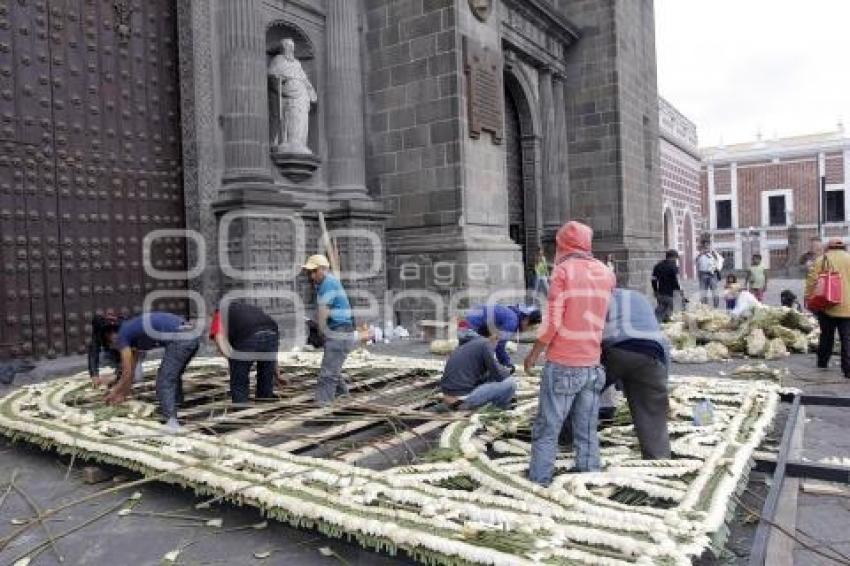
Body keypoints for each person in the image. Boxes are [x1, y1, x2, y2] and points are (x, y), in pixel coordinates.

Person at [524, 221, 615, 485]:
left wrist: (533, 355)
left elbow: (552, 323)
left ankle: (540, 479)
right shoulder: (606, 273)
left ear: (563, 245)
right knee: (586, 427)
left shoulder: (562, 272)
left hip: (564, 363)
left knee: (548, 427)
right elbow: (605, 316)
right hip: (592, 365)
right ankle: (588, 475)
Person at [601, 289, 671, 459]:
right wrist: (662, 386)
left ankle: (568, 439)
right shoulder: (640, 298)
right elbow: (662, 342)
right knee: (652, 411)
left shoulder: (600, 297)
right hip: (653, 353)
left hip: (617, 349)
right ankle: (658, 459)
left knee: (581, 392)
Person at [103, 311, 200, 429]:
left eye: (111, 342)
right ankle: (177, 403)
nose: (115, 345)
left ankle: (171, 422)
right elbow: (131, 370)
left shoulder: (122, 335)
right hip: (192, 334)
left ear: (112, 334)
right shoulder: (132, 331)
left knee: (164, 380)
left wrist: (114, 392)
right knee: (173, 374)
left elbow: (126, 372)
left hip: (181, 339)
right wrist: (123, 393)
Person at [303, 254, 358, 404]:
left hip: (339, 332)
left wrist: (320, 332)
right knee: (334, 371)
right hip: (342, 331)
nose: (312, 276)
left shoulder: (327, 283)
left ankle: (323, 411)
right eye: (309, 273)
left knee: (327, 375)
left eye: (314, 271)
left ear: (323, 269)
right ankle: (346, 403)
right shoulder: (329, 283)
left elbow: (323, 311)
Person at [210, 301, 281, 403]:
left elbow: (219, 338)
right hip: (272, 332)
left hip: (249, 335)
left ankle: (241, 405)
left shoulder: (220, 312)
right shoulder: (249, 309)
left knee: (239, 378)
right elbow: (271, 354)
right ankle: (265, 399)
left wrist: (232, 360)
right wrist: (276, 372)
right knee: (266, 372)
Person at [805, 238, 850, 378]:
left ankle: (823, 362)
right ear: (843, 247)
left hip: (826, 305)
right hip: (847, 306)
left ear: (828, 247)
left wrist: (807, 297)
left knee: (826, 336)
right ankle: (847, 369)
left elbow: (812, 280)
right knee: (846, 339)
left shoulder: (821, 260)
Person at [440, 334, 516, 410]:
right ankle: (500, 407)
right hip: (462, 399)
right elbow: (499, 373)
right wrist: (508, 370)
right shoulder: (486, 344)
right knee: (510, 383)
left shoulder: (468, 344)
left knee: (489, 378)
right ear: (494, 337)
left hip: (448, 394)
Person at [459, 304, 542, 371]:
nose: (527, 330)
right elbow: (500, 346)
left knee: (469, 358)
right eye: (530, 327)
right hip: (469, 328)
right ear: (526, 319)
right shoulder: (512, 321)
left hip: (466, 325)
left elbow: (492, 338)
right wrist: (507, 364)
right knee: (476, 361)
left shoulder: (511, 315)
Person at [651, 250, 683, 322]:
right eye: (676, 258)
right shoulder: (673, 267)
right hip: (671, 294)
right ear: (673, 257)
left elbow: (653, 279)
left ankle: (655, 322)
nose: (676, 260)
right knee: (670, 312)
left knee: (661, 308)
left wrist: (655, 290)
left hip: (661, 293)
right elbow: (677, 281)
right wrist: (680, 292)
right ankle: (663, 324)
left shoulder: (658, 266)